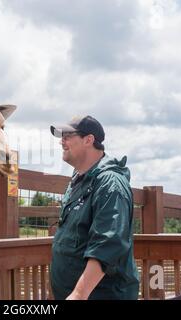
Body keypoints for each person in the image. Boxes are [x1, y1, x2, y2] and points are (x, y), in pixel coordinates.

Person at [49, 115, 139, 300]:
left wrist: (79, 294)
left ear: (88, 140)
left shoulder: (110, 183)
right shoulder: (78, 179)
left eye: (67, 135)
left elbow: (108, 243)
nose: (61, 141)